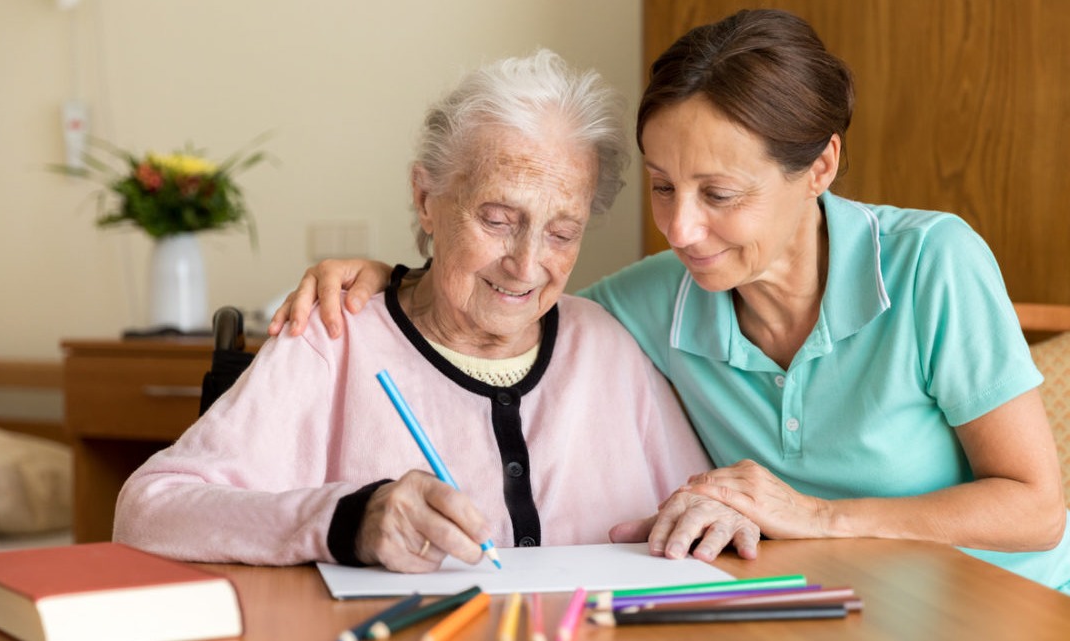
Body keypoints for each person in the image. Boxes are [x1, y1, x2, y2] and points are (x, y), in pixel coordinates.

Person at [270, 9, 1070, 610]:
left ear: (821, 166)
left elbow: (1033, 506)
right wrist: (398, 272)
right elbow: (511, 309)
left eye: (719, 193)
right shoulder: (655, 299)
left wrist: (813, 514)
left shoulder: (934, 263)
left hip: (1022, 610)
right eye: (665, 186)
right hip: (841, 616)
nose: (681, 228)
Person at [113, 49, 714, 573]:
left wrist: (715, 515)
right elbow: (147, 511)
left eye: (562, 233)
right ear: (427, 200)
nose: (526, 265)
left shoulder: (606, 346)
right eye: (498, 221)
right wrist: (347, 520)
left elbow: (705, 504)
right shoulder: (333, 333)